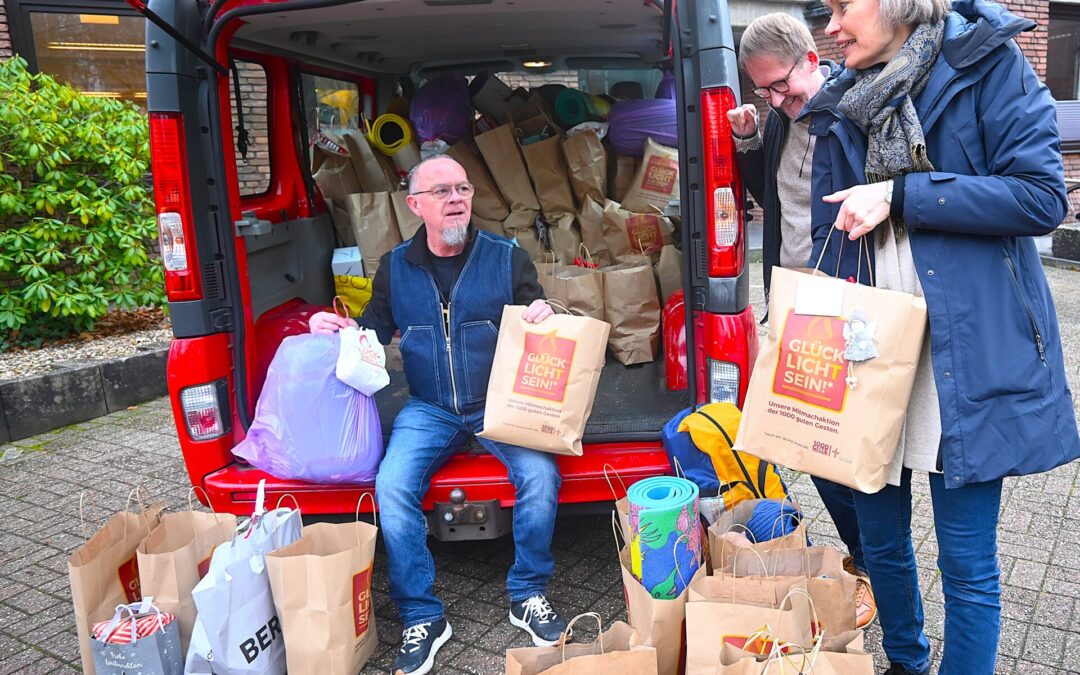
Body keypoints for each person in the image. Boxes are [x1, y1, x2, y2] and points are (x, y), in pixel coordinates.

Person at [803, 0, 1080, 671]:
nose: (830, 24)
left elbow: (1043, 196)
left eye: (843, 6)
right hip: (869, 359)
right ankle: (905, 660)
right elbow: (824, 238)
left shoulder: (987, 65)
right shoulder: (841, 100)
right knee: (882, 544)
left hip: (970, 358)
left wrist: (903, 196)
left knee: (967, 563)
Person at [309, 155, 568, 675]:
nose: (456, 198)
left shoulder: (506, 256)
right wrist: (334, 329)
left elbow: (540, 321)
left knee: (541, 476)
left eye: (464, 188)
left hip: (498, 403)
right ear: (415, 205)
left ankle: (528, 593)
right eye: (442, 191)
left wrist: (548, 312)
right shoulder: (395, 269)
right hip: (429, 408)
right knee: (392, 486)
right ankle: (423, 616)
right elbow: (372, 334)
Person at [727, 12, 877, 629]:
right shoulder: (780, 124)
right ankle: (864, 557)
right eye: (761, 90)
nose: (774, 99)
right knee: (811, 451)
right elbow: (770, 200)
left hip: (848, 314)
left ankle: (874, 568)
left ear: (812, 59)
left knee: (856, 458)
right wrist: (748, 141)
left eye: (781, 85)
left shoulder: (855, 115)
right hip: (791, 307)